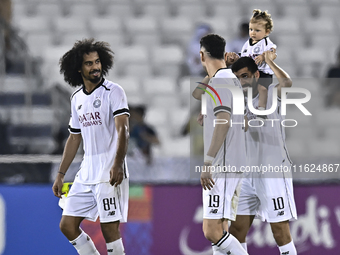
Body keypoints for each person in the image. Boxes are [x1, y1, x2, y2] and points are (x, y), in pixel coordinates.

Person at [52, 38, 130, 255]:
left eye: (97, 62)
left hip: (109, 169)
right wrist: (61, 174)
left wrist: (118, 164)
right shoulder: (76, 98)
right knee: (67, 225)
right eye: (89, 63)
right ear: (78, 68)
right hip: (86, 171)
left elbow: (123, 130)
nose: (95, 67)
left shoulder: (113, 91)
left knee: (109, 228)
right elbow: (74, 138)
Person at [229, 55, 297, 255]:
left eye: (245, 76)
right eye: (238, 78)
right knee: (236, 231)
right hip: (247, 174)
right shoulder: (236, 103)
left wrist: (269, 61)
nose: (242, 82)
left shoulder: (271, 94)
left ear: (256, 75)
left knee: (280, 231)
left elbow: (287, 82)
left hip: (272, 171)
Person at [193, 34, 248, 255]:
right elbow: (197, 94)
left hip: (222, 165)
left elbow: (224, 122)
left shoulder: (222, 80)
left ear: (201, 55)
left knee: (212, 231)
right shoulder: (226, 78)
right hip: (233, 162)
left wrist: (208, 162)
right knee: (222, 228)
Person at [240, 9, 277, 119]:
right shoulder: (247, 43)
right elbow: (244, 55)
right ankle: (244, 109)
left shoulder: (266, 43)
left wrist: (263, 56)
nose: (253, 33)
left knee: (262, 89)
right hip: (251, 72)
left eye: (257, 30)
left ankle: (261, 110)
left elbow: (272, 52)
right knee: (243, 89)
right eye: (251, 29)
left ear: (267, 32)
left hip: (263, 72)